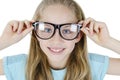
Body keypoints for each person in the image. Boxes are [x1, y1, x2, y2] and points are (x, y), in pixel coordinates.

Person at [0, 0, 120, 80]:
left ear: (79, 35)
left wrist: (108, 41)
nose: (56, 40)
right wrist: (4, 41)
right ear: (35, 32)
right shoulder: (18, 66)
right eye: (47, 30)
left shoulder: (93, 65)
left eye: (67, 30)